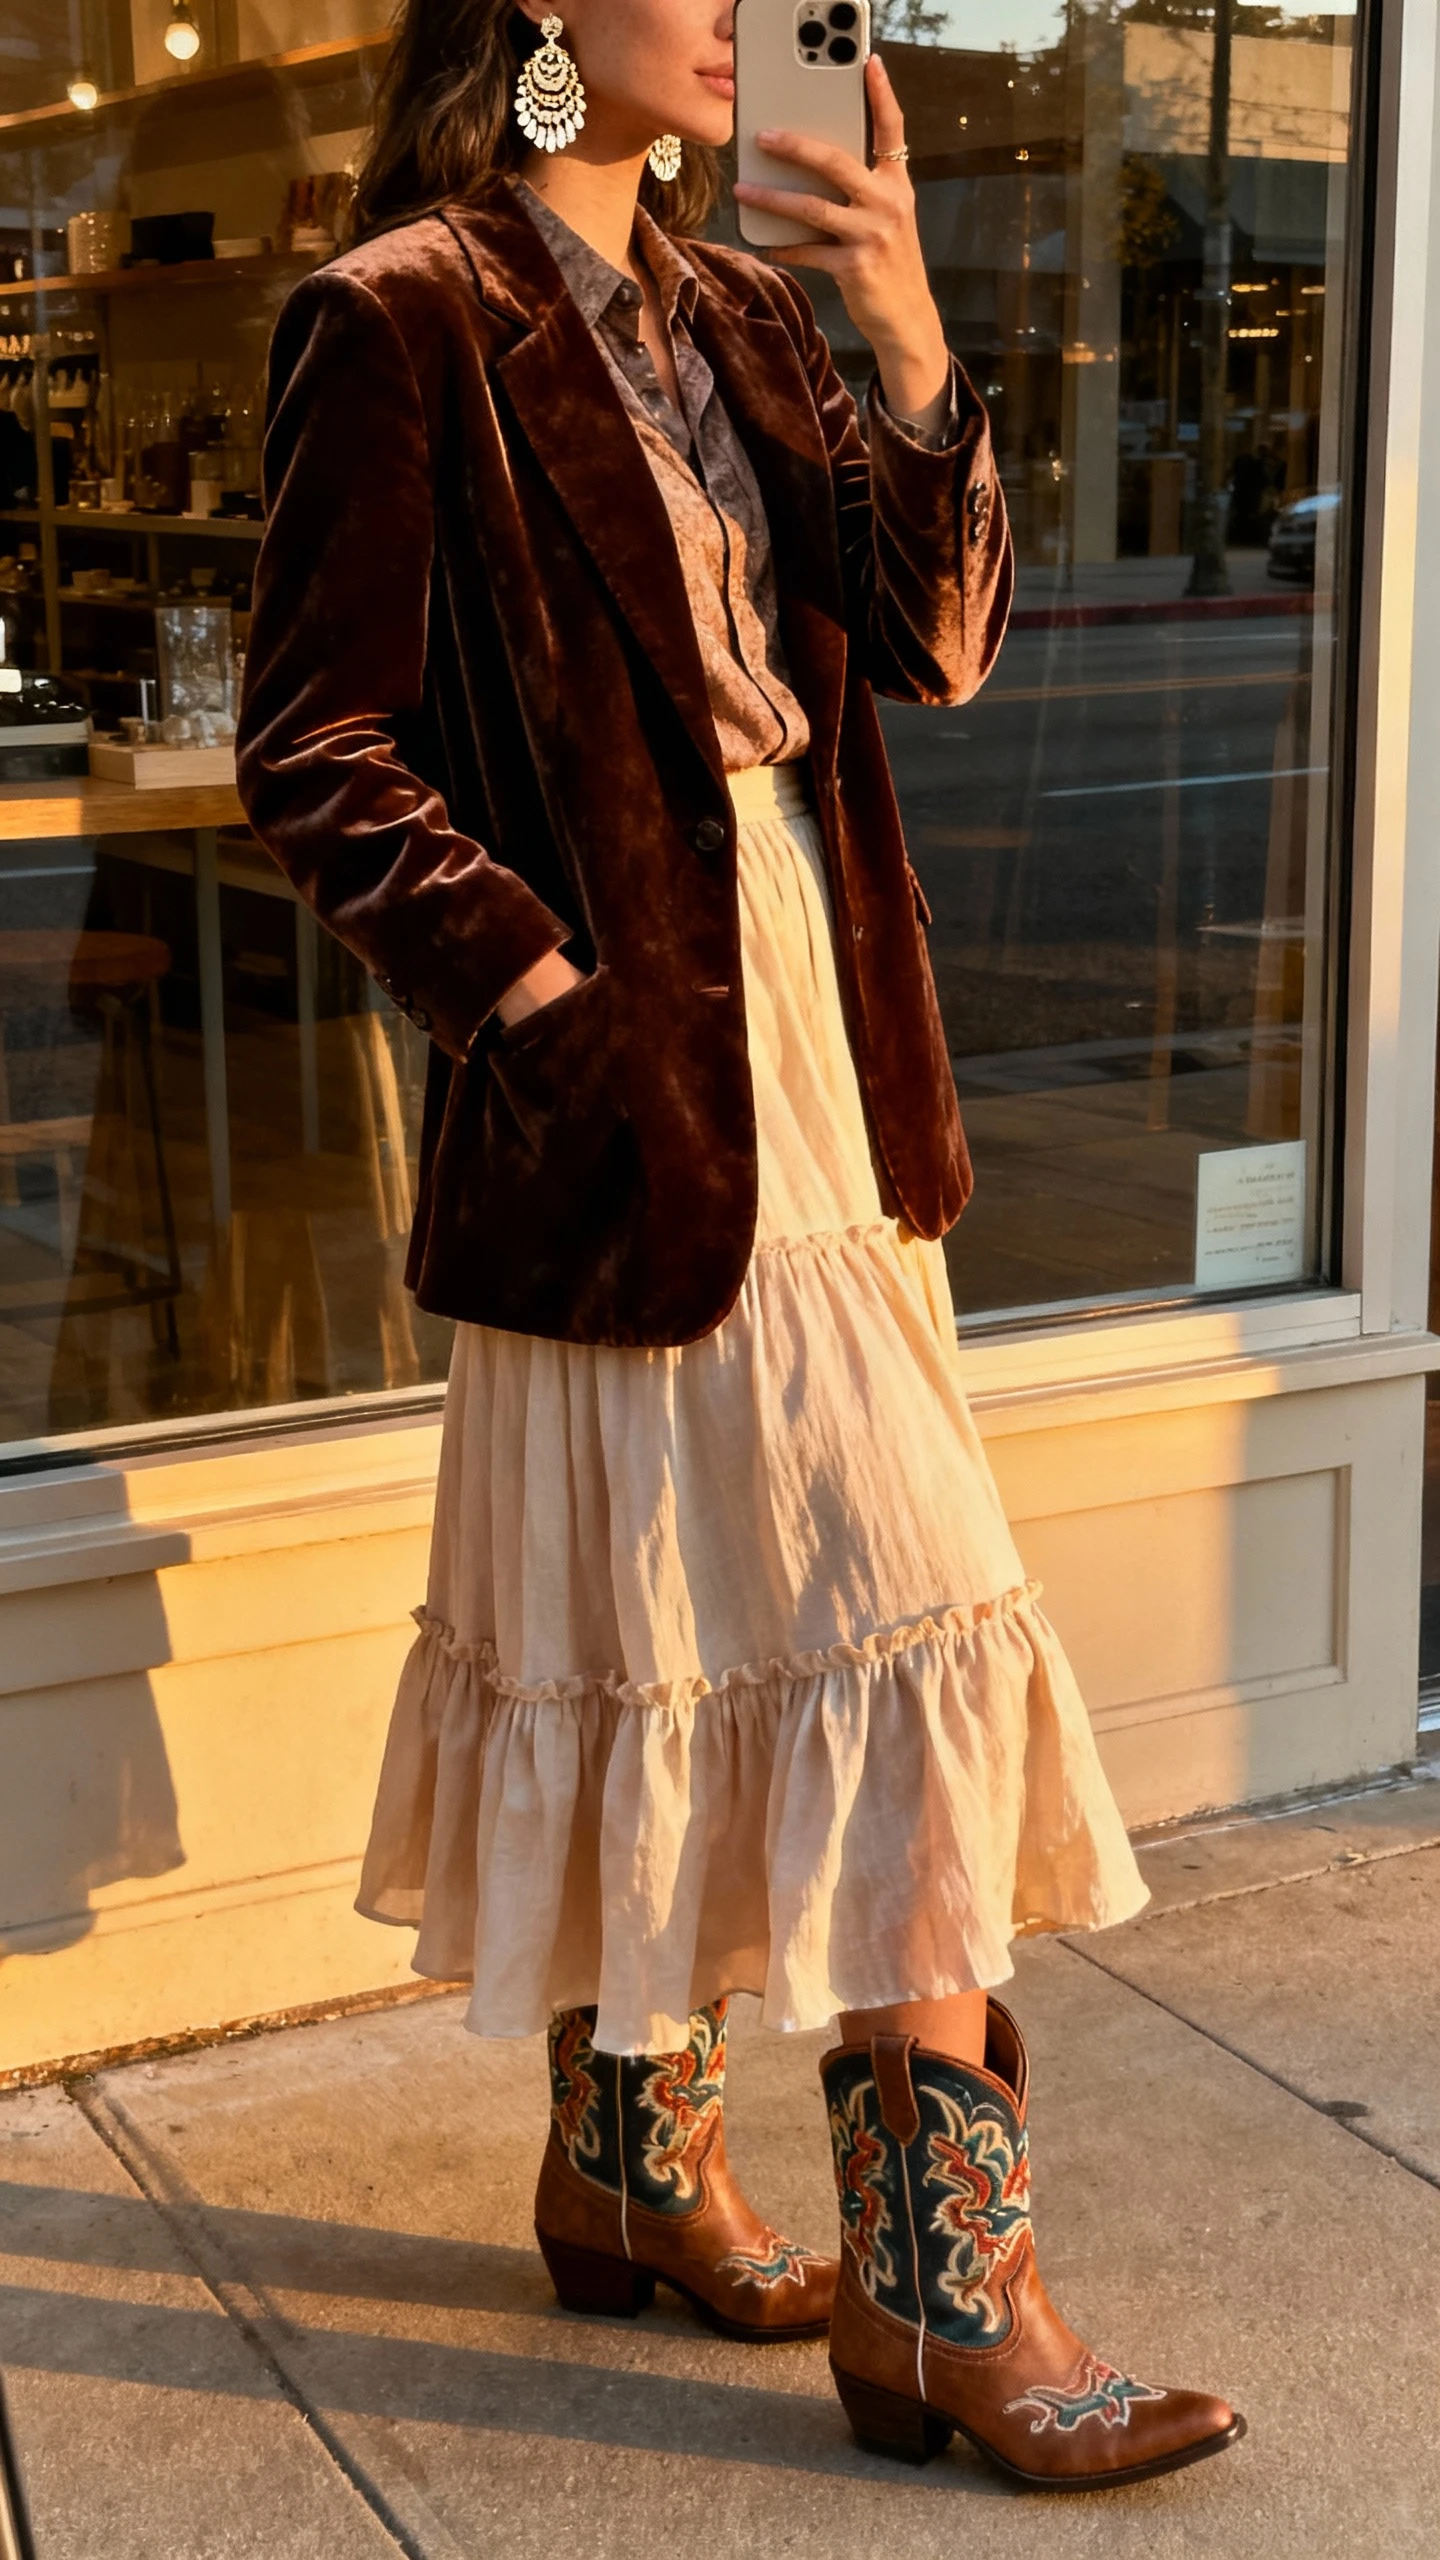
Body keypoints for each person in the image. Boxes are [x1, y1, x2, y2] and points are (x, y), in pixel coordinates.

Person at [236, 0, 1244, 2490]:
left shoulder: (757, 311)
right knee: (886, 1613)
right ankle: (949, 2304)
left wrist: (905, 327)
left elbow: (934, 645)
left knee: (695, 1616)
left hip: (822, 1041)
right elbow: (315, 746)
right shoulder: (400, 317)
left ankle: (628, 2166)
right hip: (626, 1071)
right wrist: (550, 1002)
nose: (738, 9)